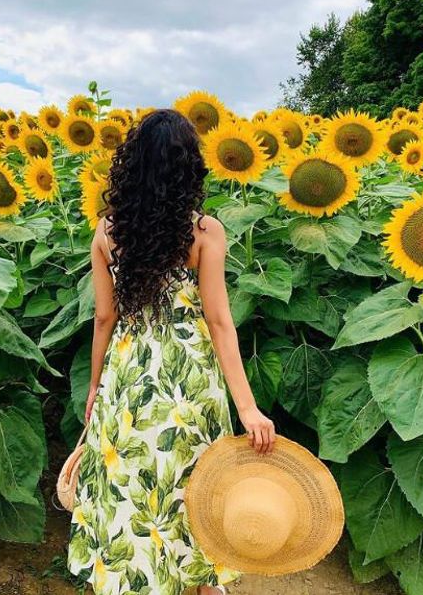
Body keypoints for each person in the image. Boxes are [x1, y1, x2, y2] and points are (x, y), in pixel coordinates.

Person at [65, 108, 275, 595]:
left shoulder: (107, 231)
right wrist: (248, 408)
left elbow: (103, 319)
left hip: (129, 379)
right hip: (189, 380)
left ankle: (141, 579)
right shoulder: (206, 232)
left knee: (133, 483)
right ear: (189, 168)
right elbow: (221, 323)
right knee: (194, 486)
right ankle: (202, 582)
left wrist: (96, 386)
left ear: (131, 166)